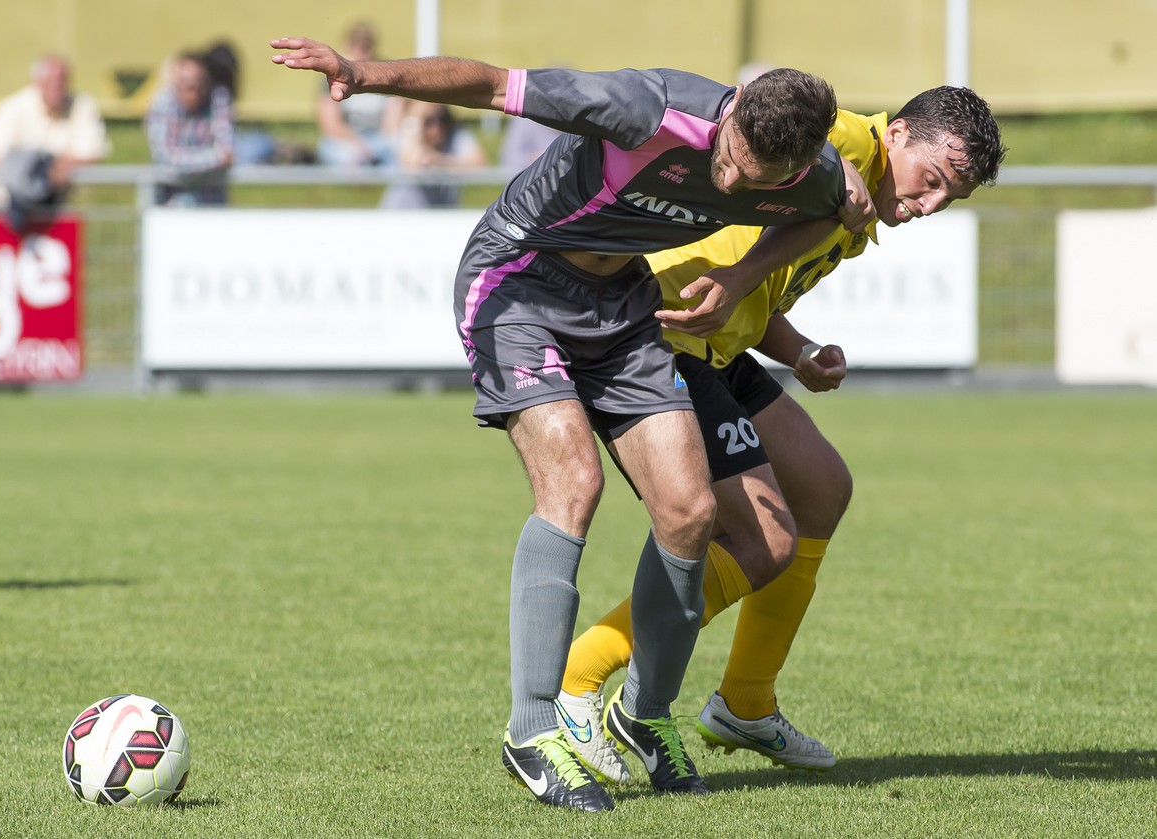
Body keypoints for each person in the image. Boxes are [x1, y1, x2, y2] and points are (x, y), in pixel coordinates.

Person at [272, 35, 875, 812]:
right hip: (517, 279)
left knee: (690, 513)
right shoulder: (643, 109)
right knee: (573, 482)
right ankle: (532, 729)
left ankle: (646, 714)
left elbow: (826, 210)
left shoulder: (811, 172)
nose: (726, 178)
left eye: (749, 180)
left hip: (619, 306)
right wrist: (362, 73)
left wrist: (744, 272)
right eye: (727, 159)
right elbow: (492, 84)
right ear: (731, 115)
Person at [555, 86, 1007, 784]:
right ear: (899, 135)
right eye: (933, 180)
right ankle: (580, 680)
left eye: (952, 198)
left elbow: (755, 294)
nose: (931, 206)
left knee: (823, 486)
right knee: (762, 542)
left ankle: (745, 700)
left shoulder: (855, 208)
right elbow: (780, 110)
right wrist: (831, 173)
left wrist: (797, 353)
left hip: (721, 346)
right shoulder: (851, 147)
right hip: (668, 337)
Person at [0, 54, 110, 232]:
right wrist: (43, 170)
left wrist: (50, 168)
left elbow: (92, 153)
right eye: (51, 80)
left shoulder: (82, 105)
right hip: (5, 211)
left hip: (57, 213)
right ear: (36, 82)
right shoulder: (11, 109)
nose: (57, 86)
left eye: (62, 80)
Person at [145, 51, 234, 206]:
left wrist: (187, 163)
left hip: (212, 207)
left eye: (193, 84)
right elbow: (165, 158)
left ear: (205, 82)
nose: (187, 90)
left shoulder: (218, 97)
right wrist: (214, 158)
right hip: (170, 207)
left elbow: (228, 149)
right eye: (181, 84)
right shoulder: (163, 101)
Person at [314, 22, 403, 167]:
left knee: (399, 148)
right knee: (342, 154)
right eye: (357, 46)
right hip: (347, 139)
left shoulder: (387, 73)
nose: (362, 52)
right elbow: (331, 125)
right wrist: (358, 144)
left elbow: (393, 121)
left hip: (379, 139)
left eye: (366, 46)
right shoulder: (333, 76)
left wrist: (377, 145)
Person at [379, 101, 487, 209]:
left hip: (442, 217)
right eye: (429, 121)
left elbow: (480, 165)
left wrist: (440, 161)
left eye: (442, 118)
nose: (436, 126)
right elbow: (413, 164)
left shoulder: (455, 133)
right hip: (401, 216)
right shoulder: (406, 130)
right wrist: (418, 115)